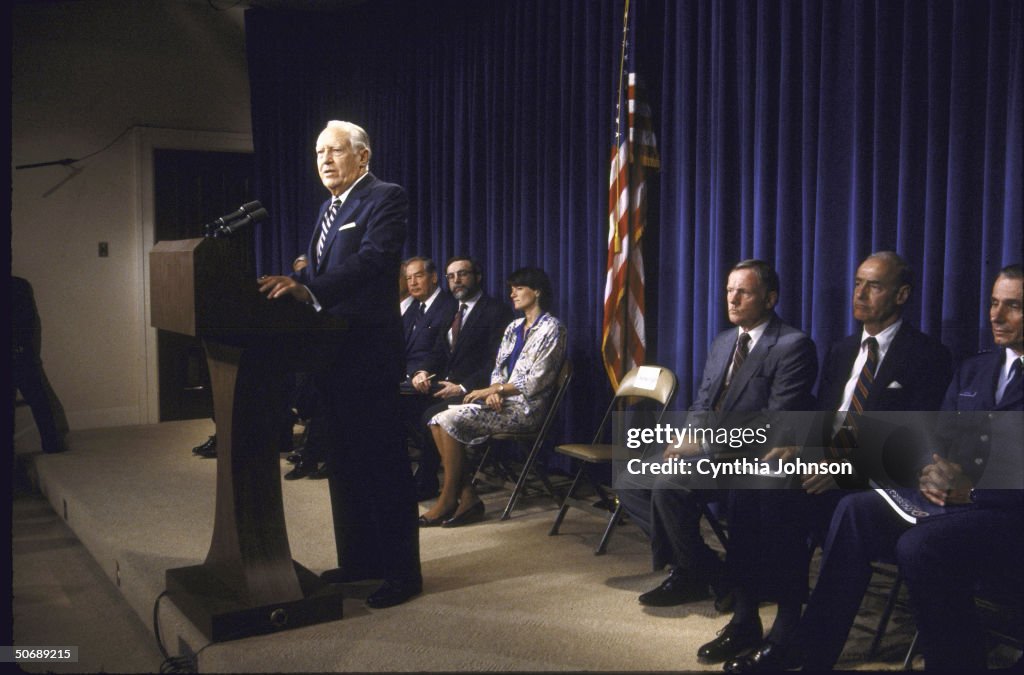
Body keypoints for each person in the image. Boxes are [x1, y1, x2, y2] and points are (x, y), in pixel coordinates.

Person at [779, 264, 1024, 671]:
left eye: (1013, 306)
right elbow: (939, 437)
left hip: (1006, 512)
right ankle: (812, 653)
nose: (996, 316)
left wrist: (975, 491)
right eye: (995, 303)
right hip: (952, 500)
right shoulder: (976, 368)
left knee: (919, 546)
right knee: (855, 509)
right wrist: (933, 468)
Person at [720, 251, 952, 672]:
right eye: (858, 283)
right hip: (822, 465)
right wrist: (799, 449)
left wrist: (843, 467)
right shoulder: (843, 349)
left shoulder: (927, 355)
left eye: (874, 286)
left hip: (874, 479)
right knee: (751, 477)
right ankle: (745, 614)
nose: (860, 293)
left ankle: (788, 629)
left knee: (783, 495)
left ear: (901, 294)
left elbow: (915, 442)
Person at [258, 120, 420, 609]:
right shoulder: (330, 208)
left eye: (334, 151)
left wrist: (310, 289)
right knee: (345, 461)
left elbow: (372, 262)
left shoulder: (385, 196)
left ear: (363, 156)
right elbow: (325, 272)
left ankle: (401, 573)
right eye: (318, 152)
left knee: (381, 463)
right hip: (330, 353)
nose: (324, 160)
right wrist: (290, 284)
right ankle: (360, 561)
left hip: (368, 351)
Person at [616, 259, 817, 614]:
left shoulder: (792, 345)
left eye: (744, 292)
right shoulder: (724, 341)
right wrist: (687, 438)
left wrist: (705, 444)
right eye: (729, 290)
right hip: (705, 452)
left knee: (668, 484)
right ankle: (706, 570)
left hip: (750, 458)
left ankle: (691, 571)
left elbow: (776, 423)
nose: (733, 299)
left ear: (770, 299)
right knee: (630, 480)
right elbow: (702, 401)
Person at [421, 266, 567, 527]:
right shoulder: (513, 327)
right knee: (436, 419)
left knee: (446, 420)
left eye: (519, 288)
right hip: (500, 403)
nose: (512, 293)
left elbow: (536, 381)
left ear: (537, 291)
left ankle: (450, 497)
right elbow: (498, 368)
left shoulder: (552, 329)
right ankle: (465, 496)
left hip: (526, 409)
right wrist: (494, 391)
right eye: (511, 288)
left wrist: (495, 390)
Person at [406, 256, 512, 500]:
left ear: (478, 276)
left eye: (462, 274)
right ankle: (421, 476)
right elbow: (438, 353)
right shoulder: (452, 310)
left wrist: (463, 386)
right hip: (447, 385)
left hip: (480, 390)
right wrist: (422, 372)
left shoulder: (496, 311)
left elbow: (496, 362)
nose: (456, 281)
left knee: (430, 415)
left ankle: (431, 483)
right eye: (451, 277)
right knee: (402, 404)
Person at [12, 276, 69, 454]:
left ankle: (52, 444)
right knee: (40, 401)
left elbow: (28, 320)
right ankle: (52, 444)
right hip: (20, 354)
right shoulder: (19, 285)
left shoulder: (18, 286)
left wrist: (22, 347)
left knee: (39, 401)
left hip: (19, 355)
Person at [402, 257, 457, 382]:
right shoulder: (412, 308)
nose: (413, 283)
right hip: (404, 380)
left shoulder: (451, 306)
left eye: (418, 276)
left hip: (428, 382)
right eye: (408, 278)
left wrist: (419, 373)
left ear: (434, 277)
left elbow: (442, 351)